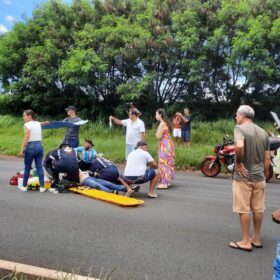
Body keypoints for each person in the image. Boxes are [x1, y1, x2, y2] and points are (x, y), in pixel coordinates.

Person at [228, 105, 270, 252]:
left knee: (243, 208)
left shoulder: (239, 129)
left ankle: (246, 241)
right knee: (258, 208)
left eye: (236, 115)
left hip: (244, 177)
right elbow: (267, 158)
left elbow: (239, 146)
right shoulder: (263, 132)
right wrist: (263, 175)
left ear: (243, 116)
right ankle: (256, 239)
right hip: (259, 177)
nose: (235, 117)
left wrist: (238, 163)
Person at [19, 109, 49, 192]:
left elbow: (27, 136)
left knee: (27, 167)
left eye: (24, 115)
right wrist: (46, 122)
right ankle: (42, 187)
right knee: (39, 167)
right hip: (39, 146)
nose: (23, 117)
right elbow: (41, 123)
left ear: (29, 116)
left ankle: (24, 186)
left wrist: (21, 149)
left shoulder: (27, 125)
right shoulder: (38, 123)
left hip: (30, 147)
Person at [155, 108, 175, 189]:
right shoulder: (166, 122)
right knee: (168, 163)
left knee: (164, 163)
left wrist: (156, 133)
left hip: (164, 146)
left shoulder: (162, 124)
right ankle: (167, 181)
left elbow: (158, 136)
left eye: (156, 114)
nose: (155, 116)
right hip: (169, 144)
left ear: (160, 115)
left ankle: (164, 183)